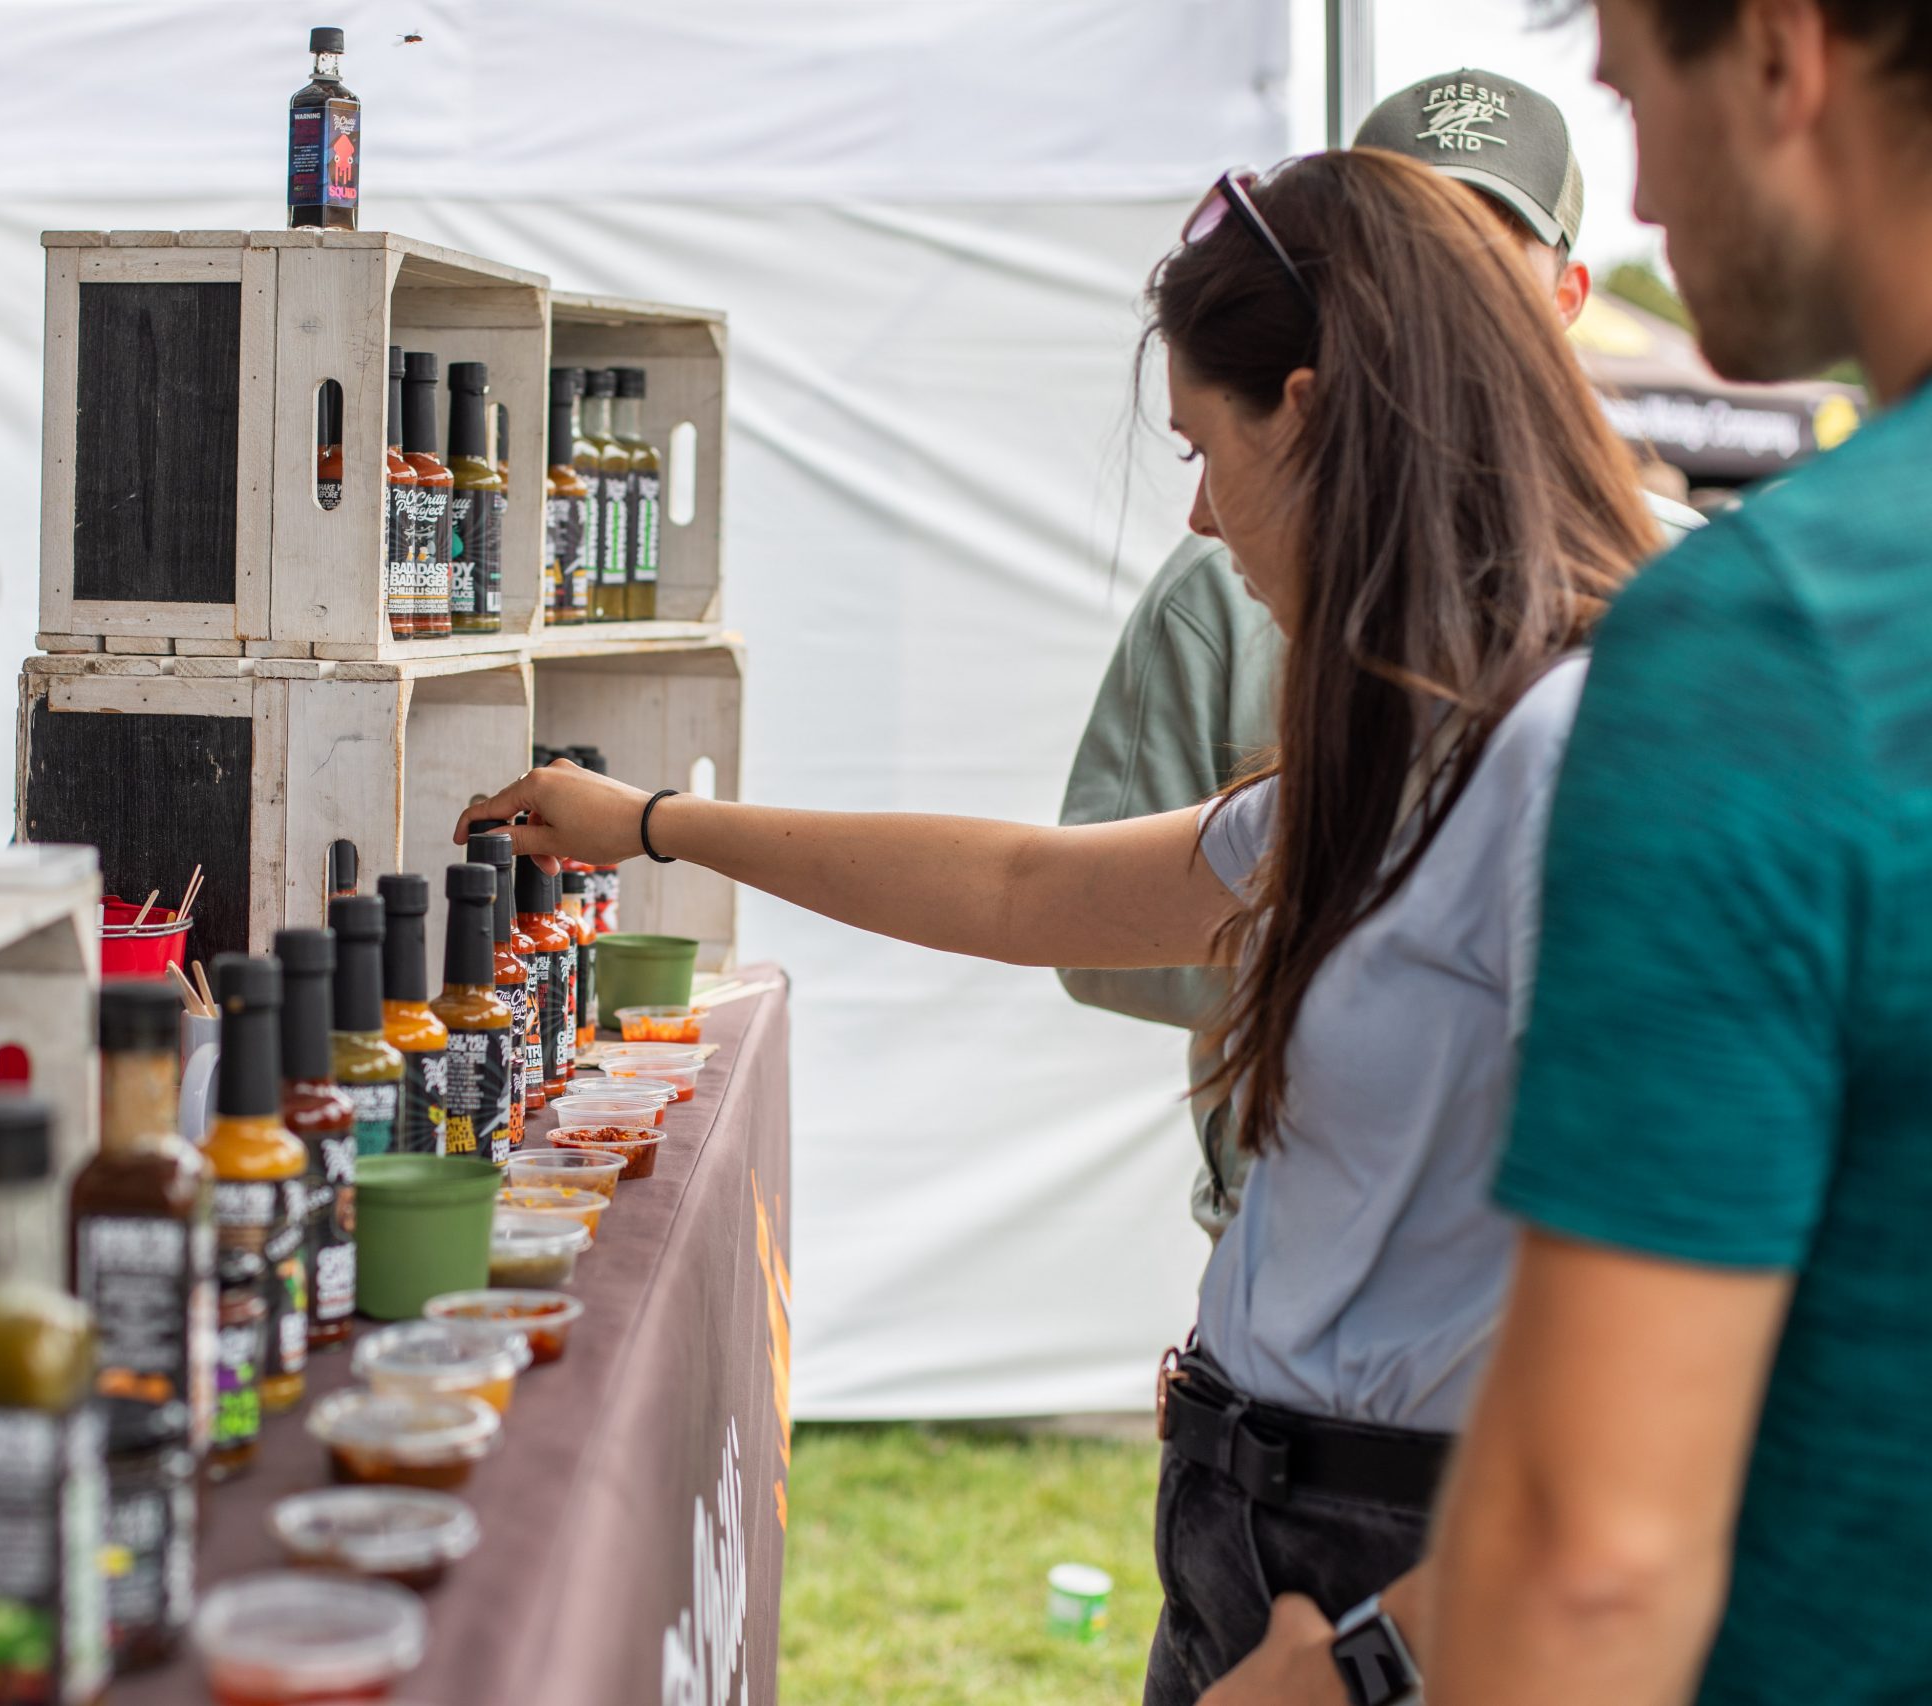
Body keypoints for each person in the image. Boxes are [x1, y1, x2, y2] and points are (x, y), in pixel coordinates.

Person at [457, 149, 1661, 1704]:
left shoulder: (1566, 759)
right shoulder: (1410, 750)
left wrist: (1371, 1663)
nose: (1203, 513)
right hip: (1270, 1531)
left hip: (1387, 1580)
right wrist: (650, 823)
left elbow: (1666, 1381)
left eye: (1205, 448)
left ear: (1309, 413)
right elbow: (1028, 889)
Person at [1415, 2, 1932, 1703]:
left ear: (1781, 57)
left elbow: (1592, 1558)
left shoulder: (1774, 635)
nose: (1639, 200)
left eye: (1636, 103)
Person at [1059, 66, 1701, 1244]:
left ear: (1564, 296)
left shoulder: (1692, 596)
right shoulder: (1216, 582)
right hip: (1288, 1241)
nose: (1436, 298)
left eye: (1483, 258)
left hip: (1538, 1270)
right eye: (1408, 253)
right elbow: (1078, 921)